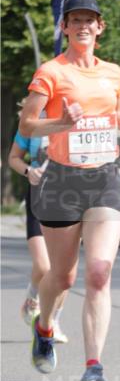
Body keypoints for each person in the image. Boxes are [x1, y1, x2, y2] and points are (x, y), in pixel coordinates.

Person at [19, 0, 120, 381]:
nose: (83, 27)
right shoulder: (50, 72)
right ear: (65, 27)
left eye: (90, 20)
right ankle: (43, 328)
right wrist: (60, 120)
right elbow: (28, 124)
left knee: (98, 273)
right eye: (75, 20)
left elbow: (114, 112)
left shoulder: (112, 73)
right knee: (64, 275)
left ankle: (94, 369)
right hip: (62, 182)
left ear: (100, 27)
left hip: (104, 179)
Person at [8, 110, 68, 343]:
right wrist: (28, 170)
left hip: (69, 196)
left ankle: (54, 321)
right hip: (39, 196)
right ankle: (32, 300)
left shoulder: (75, 119)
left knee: (63, 270)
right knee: (44, 266)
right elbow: (14, 157)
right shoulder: (32, 123)